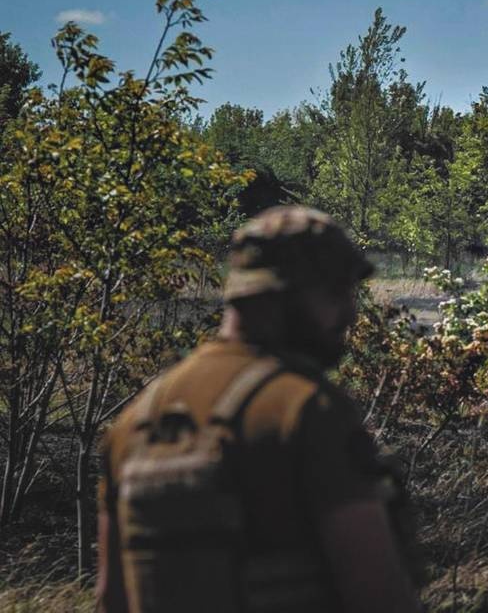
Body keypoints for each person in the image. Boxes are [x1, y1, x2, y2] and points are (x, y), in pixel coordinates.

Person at [96, 206, 422, 613]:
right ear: (279, 294)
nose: (350, 313)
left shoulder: (136, 420)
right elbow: (378, 595)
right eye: (334, 293)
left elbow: (113, 597)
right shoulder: (305, 409)